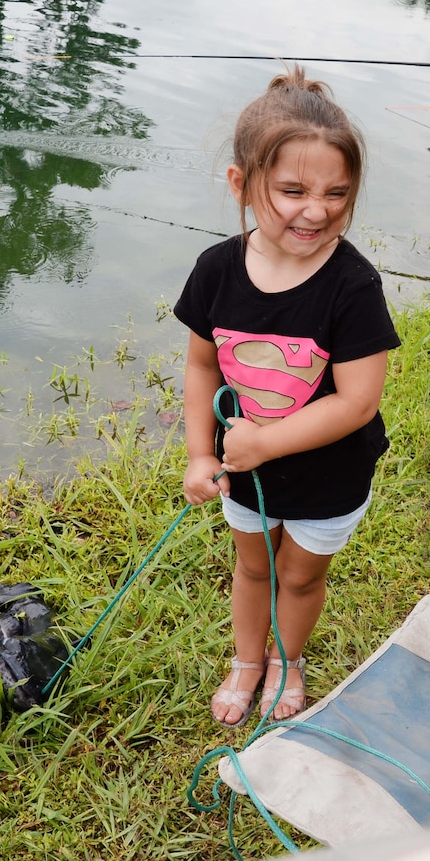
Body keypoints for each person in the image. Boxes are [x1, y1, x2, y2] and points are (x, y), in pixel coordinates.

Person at [173, 66, 401, 726]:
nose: (316, 209)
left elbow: (356, 401)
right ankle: (246, 661)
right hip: (244, 467)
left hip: (329, 471)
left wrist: (265, 440)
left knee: (299, 575)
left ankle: (287, 659)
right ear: (241, 184)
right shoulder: (216, 269)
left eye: (337, 192)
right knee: (252, 569)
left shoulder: (351, 285)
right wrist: (198, 454)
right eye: (292, 190)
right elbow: (200, 367)